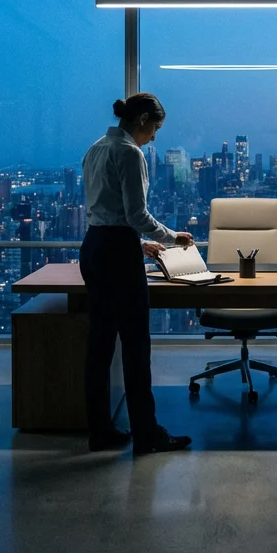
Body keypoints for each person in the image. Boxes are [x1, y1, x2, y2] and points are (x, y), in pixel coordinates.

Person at [80, 93, 193, 455]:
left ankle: (99, 431)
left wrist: (137, 244)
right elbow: (136, 215)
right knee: (135, 347)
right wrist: (171, 236)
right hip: (117, 254)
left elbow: (103, 209)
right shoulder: (130, 153)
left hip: (95, 246)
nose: (155, 137)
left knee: (99, 345)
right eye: (155, 128)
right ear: (143, 120)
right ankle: (147, 434)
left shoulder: (95, 147)